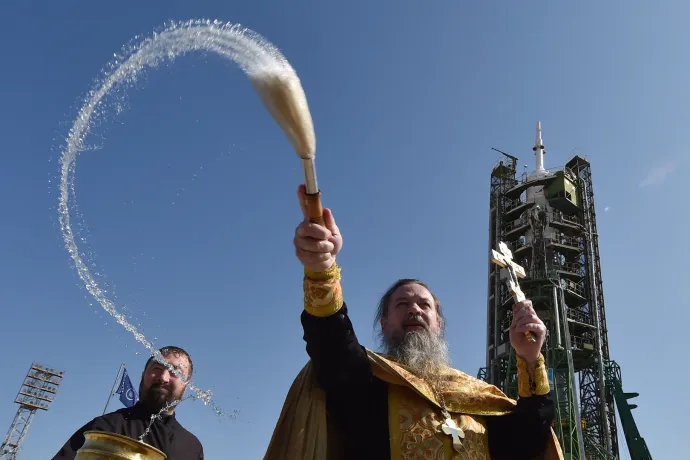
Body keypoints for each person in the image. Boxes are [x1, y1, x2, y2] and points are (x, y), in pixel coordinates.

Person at [264, 185, 563, 459]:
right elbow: (332, 343)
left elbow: (528, 441)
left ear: (438, 324)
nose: (414, 311)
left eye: (424, 305)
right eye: (402, 304)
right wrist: (322, 268)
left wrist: (530, 358)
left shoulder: (478, 397)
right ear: (383, 323)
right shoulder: (368, 383)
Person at [53, 346, 203, 460]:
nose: (163, 377)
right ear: (143, 376)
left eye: (175, 372)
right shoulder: (104, 427)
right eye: (157, 368)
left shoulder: (192, 446)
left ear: (186, 385)